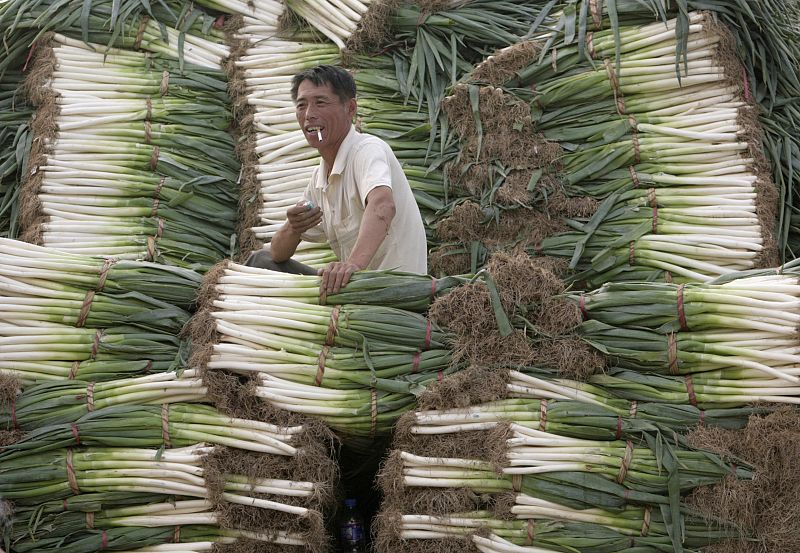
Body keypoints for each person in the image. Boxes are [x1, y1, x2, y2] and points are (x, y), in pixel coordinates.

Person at [245, 64, 427, 295]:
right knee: (260, 261)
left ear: (350, 108)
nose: (309, 114)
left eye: (320, 103)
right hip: (354, 290)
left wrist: (352, 265)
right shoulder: (319, 180)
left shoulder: (367, 150)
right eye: (301, 105)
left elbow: (383, 205)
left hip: (392, 293)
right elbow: (277, 254)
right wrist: (293, 227)